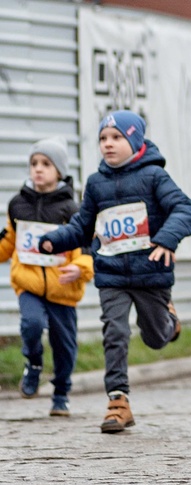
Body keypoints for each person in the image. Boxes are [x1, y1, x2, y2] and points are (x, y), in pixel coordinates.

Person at [39, 110, 191, 433]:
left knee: (155, 339)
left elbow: (185, 209)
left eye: (116, 138)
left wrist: (167, 239)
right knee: (115, 332)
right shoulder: (96, 184)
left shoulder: (155, 177)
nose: (108, 144)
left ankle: (168, 321)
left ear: (135, 140)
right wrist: (52, 241)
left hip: (150, 271)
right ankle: (118, 401)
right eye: (102, 139)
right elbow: (82, 226)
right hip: (111, 274)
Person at [1, 137, 94, 416]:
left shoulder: (72, 209)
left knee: (64, 346)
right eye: (33, 163)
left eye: (45, 164)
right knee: (31, 324)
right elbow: (9, 241)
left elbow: (85, 245)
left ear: (60, 171)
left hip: (63, 287)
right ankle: (34, 364)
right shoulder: (18, 204)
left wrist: (80, 267)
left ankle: (61, 393)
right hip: (28, 283)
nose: (38, 169)